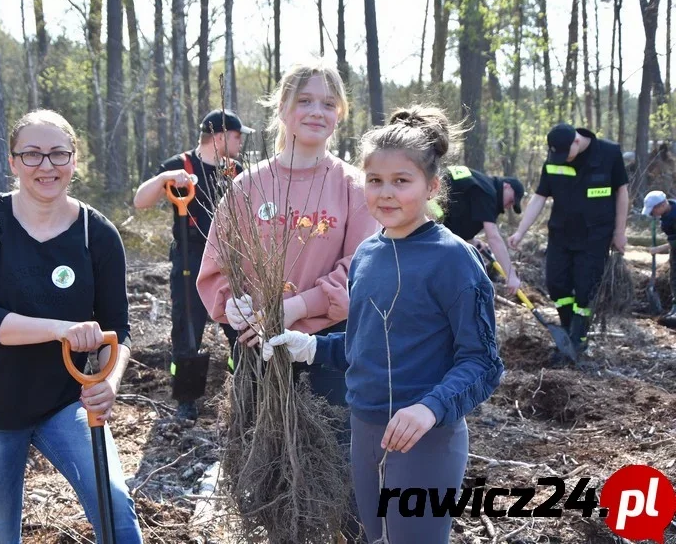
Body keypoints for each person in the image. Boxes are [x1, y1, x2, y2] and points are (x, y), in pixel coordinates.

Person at [263, 105, 504, 544]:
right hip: (365, 430)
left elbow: (483, 364)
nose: (386, 193)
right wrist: (313, 346)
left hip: (424, 441)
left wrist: (429, 408)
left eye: (401, 181)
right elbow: (365, 345)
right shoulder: (367, 255)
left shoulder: (453, 259)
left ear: (431, 186)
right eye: (375, 181)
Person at [196, 59, 380, 540]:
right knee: (271, 473)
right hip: (259, 352)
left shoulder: (352, 187)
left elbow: (361, 273)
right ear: (282, 108)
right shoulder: (248, 185)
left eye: (328, 103)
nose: (316, 112)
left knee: (341, 468)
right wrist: (234, 305)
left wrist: (296, 309)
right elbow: (218, 267)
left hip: (330, 352)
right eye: (305, 101)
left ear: (340, 113)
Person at [0, 109, 142, 543]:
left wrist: (109, 379)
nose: (46, 166)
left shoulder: (98, 233)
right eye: (32, 155)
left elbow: (117, 329)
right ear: (13, 162)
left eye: (58, 154)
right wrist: (61, 329)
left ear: (74, 161)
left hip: (64, 404)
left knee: (117, 514)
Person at [133, 109, 252, 421]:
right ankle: (187, 399)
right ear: (221, 136)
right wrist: (163, 179)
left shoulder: (236, 170)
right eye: (238, 136)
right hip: (190, 257)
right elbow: (140, 201)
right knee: (187, 329)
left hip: (230, 260)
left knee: (238, 326)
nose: (241, 142)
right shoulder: (179, 166)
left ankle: (239, 391)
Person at [508, 123, 629, 355]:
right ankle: (566, 330)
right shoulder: (555, 159)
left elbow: (622, 193)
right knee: (556, 284)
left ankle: (579, 336)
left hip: (595, 235)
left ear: (576, 141)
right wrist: (520, 231)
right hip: (561, 234)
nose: (563, 159)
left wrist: (619, 232)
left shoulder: (609, 154)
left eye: (566, 154)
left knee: (585, 287)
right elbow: (539, 197)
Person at [440, 165, 525, 294]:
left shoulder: (480, 184)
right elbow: (494, 238)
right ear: (506, 186)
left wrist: (471, 240)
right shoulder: (488, 192)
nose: (509, 206)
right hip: (427, 214)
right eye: (512, 200)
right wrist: (510, 275)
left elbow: (459, 211)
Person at [643, 190, 676, 318]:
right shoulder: (667, 214)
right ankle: (674, 308)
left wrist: (659, 249)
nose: (652, 214)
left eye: (652, 210)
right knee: (674, 277)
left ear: (662, 205)